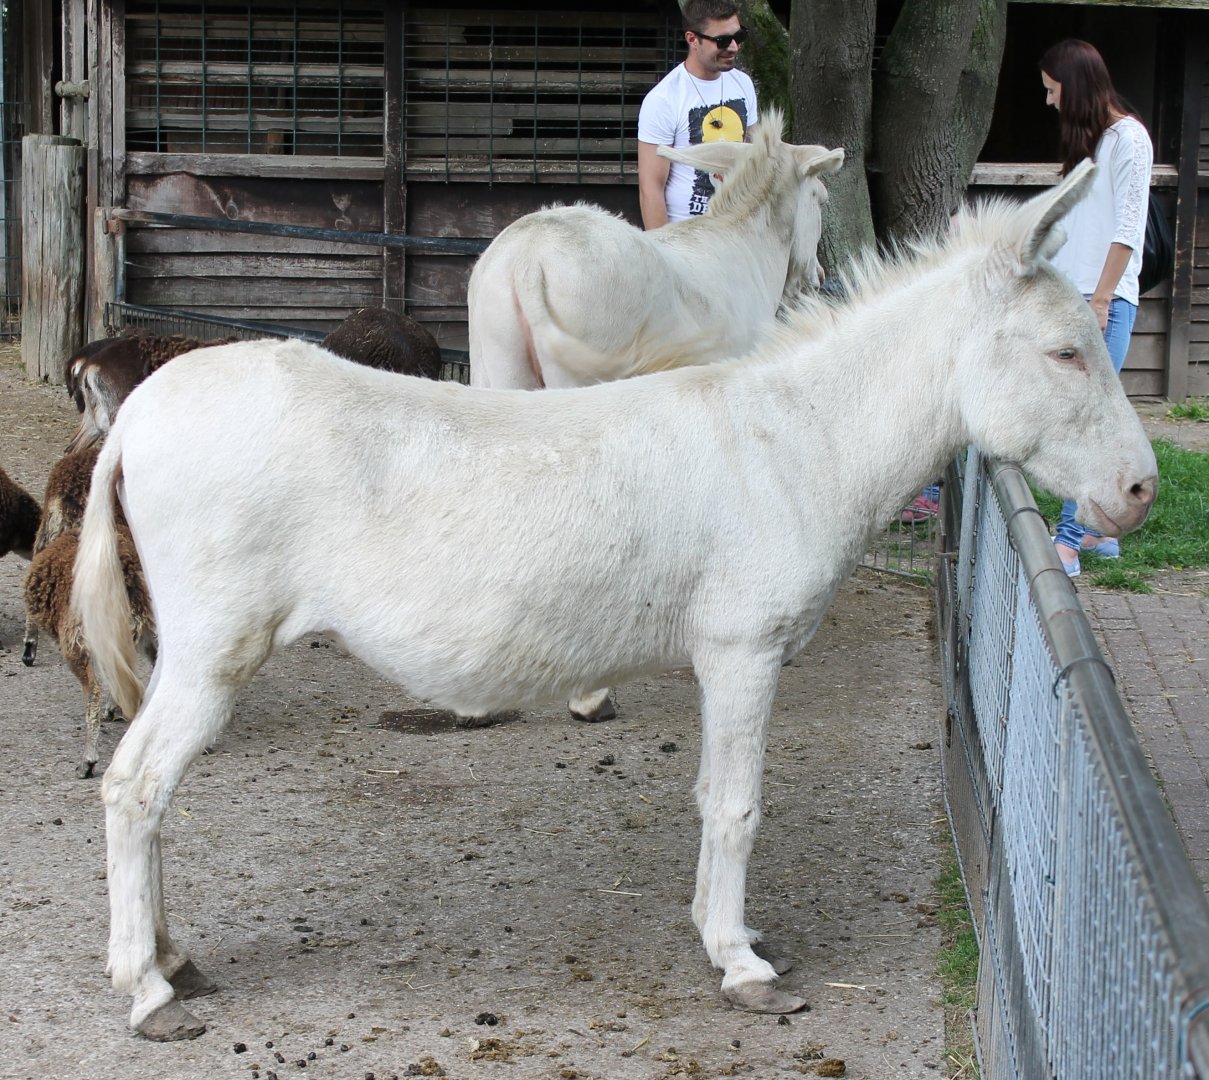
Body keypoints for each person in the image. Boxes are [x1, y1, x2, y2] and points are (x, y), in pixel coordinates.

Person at [1040, 38, 1154, 578]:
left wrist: (1103, 299)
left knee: (1082, 419)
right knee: (1083, 418)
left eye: (1052, 90)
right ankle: (1094, 534)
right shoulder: (1092, 145)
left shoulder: (1130, 138)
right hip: (1076, 294)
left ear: (1075, 85)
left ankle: (1065, 546)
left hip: (1103, 299)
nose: (1048, 102)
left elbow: (1128, 229)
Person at [636, 0, 758, 229]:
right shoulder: (664, 99)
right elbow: (650, 189)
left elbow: (756, 156)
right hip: (689, 240)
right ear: (693, 39)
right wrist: (663, 255)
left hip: (739, 232)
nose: (733, 47)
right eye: (722, 40)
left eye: (738, 36)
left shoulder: (743, 84)